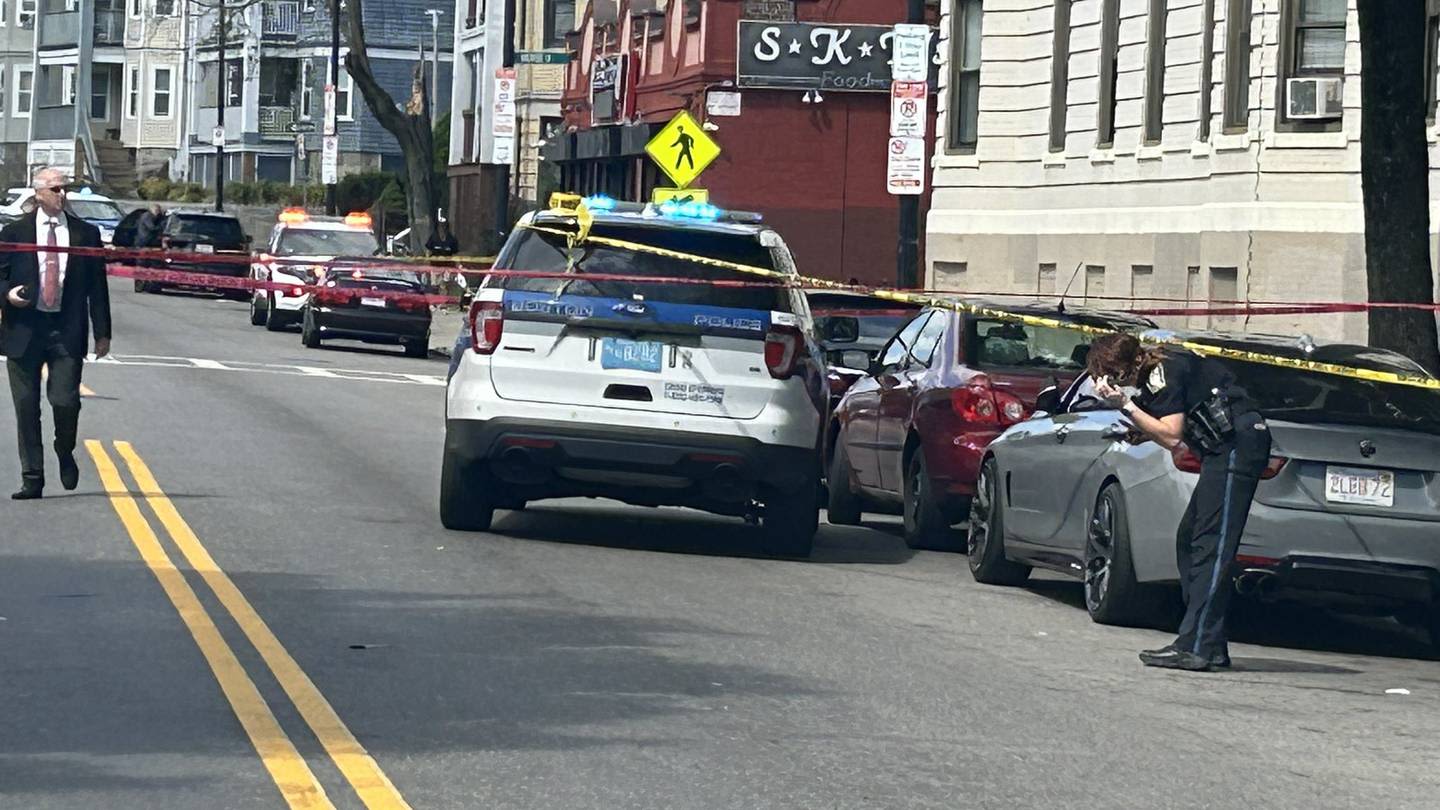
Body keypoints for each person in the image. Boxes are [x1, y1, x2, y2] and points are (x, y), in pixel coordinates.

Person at [1087, 333, 1270, 672]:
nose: (1114, 383)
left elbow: (1171, 436)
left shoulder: (1165, 371)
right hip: (1222, 450)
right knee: (1190, 540)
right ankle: (1207, 641)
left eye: (1111, 376)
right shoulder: (1156, 374)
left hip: (1236, 446)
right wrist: (1137, 428)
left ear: (1123, 366)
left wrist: (1125, 406)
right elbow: (1171, 423)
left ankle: (1197, 646)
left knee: (1211, 546)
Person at [0, 168, 112, 500]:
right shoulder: (14, 233)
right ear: (38, 194)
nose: (62, 194)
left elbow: (98, 286)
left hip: (66, 329)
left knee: (65, 401)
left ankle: (64, 448)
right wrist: (8, 295)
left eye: (66, 189)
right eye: (56, 189)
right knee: (25, 406)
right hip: (24, 329)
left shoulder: (85, 234)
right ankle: (32, 476)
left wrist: (102, 332)